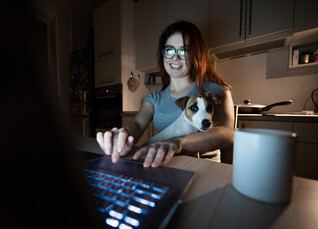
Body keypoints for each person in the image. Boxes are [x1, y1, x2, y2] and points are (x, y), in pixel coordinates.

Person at [96, 21, 234, 167]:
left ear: (195, 54)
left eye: (184, 51)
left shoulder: (215, 90)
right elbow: (136, 124)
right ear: (163, 54)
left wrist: (178, 141)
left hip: (205, 169)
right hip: (165, 166)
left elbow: (227, 134)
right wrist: (122, 137)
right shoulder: (155, 98)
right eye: (170, 50)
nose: (175, 57)